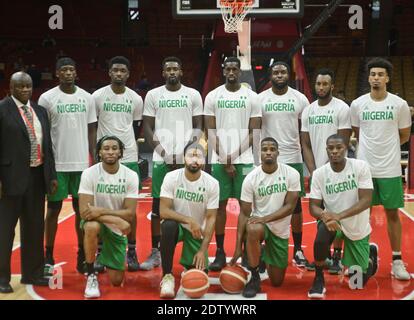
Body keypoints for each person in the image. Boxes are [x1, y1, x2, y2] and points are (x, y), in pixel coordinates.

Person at [350, 57, 412, 280]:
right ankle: (361, 257)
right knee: (361, 215)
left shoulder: (399, 104)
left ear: (387, 78)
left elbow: (404, 135)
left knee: (392, 213)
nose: (376, 78)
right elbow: (357, 131)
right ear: (368, 77)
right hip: (365, 169)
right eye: (373, 74)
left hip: (390, 169)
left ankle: (397, 261)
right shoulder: (358, 104)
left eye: (380, 74)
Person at [142, 56, 203, 270]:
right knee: (158, 208)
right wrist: (164, 153)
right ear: (163, 72)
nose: (172, 72)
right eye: (168, 69)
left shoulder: (193, 94)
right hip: (162, 161)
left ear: (181, 71)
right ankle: (156, 251)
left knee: (190, 204)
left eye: (175, 68)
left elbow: (198, 125)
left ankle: (191, 249)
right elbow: (147, 127)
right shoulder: (153, 95)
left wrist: (186, 154)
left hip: (187, 160)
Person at [39, 57, 97, 276]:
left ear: (76, 73)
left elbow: (92, 129)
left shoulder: (87, 98)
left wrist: (95, 158)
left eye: (71, 69)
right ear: (57, 73)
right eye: (63, 70)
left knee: (81, 213)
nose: (68, 73)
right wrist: (47, 164)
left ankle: (82, 255)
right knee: (53, 210)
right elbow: (43, 133)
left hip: (82, 165)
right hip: (58, 164)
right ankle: (48, 255)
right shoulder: (47, 98)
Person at [0, 72, 57, 293]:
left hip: (36, 176)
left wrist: (51, 175)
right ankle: (2, 277)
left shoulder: (40, 111)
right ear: (10, 87)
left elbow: (48, 146)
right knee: (5, 230)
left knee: (35, 227)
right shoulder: (2, 109)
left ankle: (33, 273)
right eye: (20, 86)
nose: (25, 90)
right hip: (9, 179)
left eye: (28, 86)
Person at [204, 56, 261, 271]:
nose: (231, 72)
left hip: (245, 160)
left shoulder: (252, 97)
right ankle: (220, 251)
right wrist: (223, 156)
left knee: (247, 207)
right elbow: (210, 131)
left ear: (240, 71)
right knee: (218, 206)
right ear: (223, 70)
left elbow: (253, 131)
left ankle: (245, 250)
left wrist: (233, 156)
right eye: (227, 68)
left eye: (234, 69)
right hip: (218, 160)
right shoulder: (212, 96)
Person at [307, 134, 378, 299]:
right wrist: (325, 216)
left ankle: (369, 258)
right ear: (326, 150)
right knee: (322, 234)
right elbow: (313, 207)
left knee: (356, 283)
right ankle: (318, 278)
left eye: (338, 147)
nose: (335, 151)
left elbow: (366, 200)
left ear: (346, 148)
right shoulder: (319, 174)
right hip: (334, 223)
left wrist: (339, 215)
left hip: (356, 225)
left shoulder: (360, 167)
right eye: (331, 148)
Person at [230, 137, 300, 298]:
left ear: (278, 152)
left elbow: (290, 207)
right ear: (259, 153)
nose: (268, 152)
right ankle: (254, 277)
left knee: (277, 282)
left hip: (279, 229)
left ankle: (261, 253)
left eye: (272, 149)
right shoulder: (251, 179)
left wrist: (265, 218)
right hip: (260, 226)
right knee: (253, 228)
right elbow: (244, 213)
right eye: (264, 149)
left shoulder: (291, 174)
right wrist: (237, 247)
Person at [92, 56, 143, 272]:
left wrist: (127, 148)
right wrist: (96, 152)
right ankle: (101, 251)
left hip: (129, 157)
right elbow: (93, 125)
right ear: (109, 72)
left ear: (128, 73)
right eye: (115, 70)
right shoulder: (97, 96)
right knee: (102, 205)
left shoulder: (136, 98)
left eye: (123, 70)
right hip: (104, 157)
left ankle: (131, 251)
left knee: (130, 208)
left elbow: (137, 127)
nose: (119, 74)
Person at [258, 61, 310, 268]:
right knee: (264, 204)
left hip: (293, 158)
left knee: (295, 208)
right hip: (268, 158)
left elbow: (306, 130)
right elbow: (254, 128)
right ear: (270, 75)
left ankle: (297, 249)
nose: (280, 75)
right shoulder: (260, 99)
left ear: (289, 74)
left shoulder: (300, 99)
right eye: (276, 72)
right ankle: (262, 248)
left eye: (283, 72)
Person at [301, 68, 352, 274]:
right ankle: (324, 256)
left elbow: (343, 141)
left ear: (332, 86)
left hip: (338, 170)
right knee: (321, 214)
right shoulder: (308, 110)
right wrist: (314, 171)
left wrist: (332, 169)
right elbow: (305, 143)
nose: (321, 87)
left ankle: (337, 256)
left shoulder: (341, 108)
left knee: (339, 213)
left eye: (325, 84)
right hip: (317, 173)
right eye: (318, 84)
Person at [78, 135, 139, 299]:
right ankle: (91, 274)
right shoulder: (89, 173)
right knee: (91, 226)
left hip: (115, 229)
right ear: (99, 153)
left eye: (114, 148)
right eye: (106, 148)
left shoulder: (131, 175)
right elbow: (85, 211)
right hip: (98, 222)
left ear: (120, 153)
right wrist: (116, 219)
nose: (110, 152)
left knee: (117, 281)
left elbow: (130, 213)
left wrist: (100, 212)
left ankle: (104, 254)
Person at [159, 143, 218, 298]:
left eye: (199, 156)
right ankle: (167, 276)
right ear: (183, 158)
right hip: (178, 226)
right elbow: (163, 211)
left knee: (198, 278)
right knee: (168, 226)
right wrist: (188, 219)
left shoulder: (212, 183)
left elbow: (211, 218)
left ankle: (190, 263)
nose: (194, 159)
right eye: (191, 155)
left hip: (196, 232)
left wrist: (202, 250)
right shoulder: (171, 177)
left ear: (204, 160)